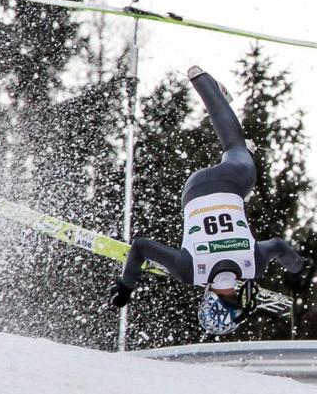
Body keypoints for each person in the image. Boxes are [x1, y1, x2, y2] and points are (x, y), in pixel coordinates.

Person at [110, 66, 306, 335]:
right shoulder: (188, 272)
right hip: (194, 189)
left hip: (233, 182)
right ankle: (204, 85)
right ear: (208, 299)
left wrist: (297, 267)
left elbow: (279, 247)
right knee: (233, 171)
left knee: (235, 146)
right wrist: (125, 289)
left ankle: (205, 83)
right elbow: (140, 247)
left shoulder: (253, 264)